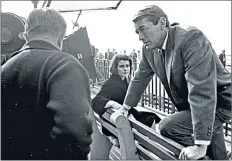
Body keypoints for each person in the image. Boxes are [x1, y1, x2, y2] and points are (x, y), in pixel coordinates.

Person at [119, 5, 231, 160]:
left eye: (143, 29)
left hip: (220, 100)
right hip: (200, 107)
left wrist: (199, 147)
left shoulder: (190, 37)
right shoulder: (149, 49)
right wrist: (125, 108)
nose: (140, 36)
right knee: (215, 147)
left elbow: (201, 87)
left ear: (162, 23)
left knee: (168, 127)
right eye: (137, 32)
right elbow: (140, 77)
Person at [1, 8, 93, 160]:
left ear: (26, 35)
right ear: (60, 38)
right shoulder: (65, 65)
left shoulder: (5, 68)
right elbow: (74, 134)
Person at [91, 54, 161, 138]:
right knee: (150, 118)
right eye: (121, 66)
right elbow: (95, 102)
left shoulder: (122, 80)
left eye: (127, 66)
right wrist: (113, 104)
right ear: (115, 68)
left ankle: (149, 143)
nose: (125, 69)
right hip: (118, 123)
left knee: (150, 116)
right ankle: (150, 144)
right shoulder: (111, 84)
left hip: (118, 120)